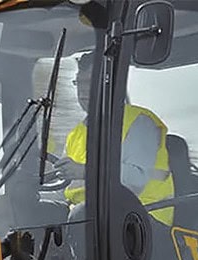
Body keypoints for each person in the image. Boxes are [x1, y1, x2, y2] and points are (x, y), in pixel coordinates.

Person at [53, 53, 174, 225]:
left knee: (82, 216)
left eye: (91, 82)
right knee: (42, 212)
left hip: (144, 219)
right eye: (80, 83)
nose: (84, 90)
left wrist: (86, 171)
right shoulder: (76, 134)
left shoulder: (138, 122)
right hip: (93, 218)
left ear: (109, 83)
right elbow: (68, 189)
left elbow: (136, 179)